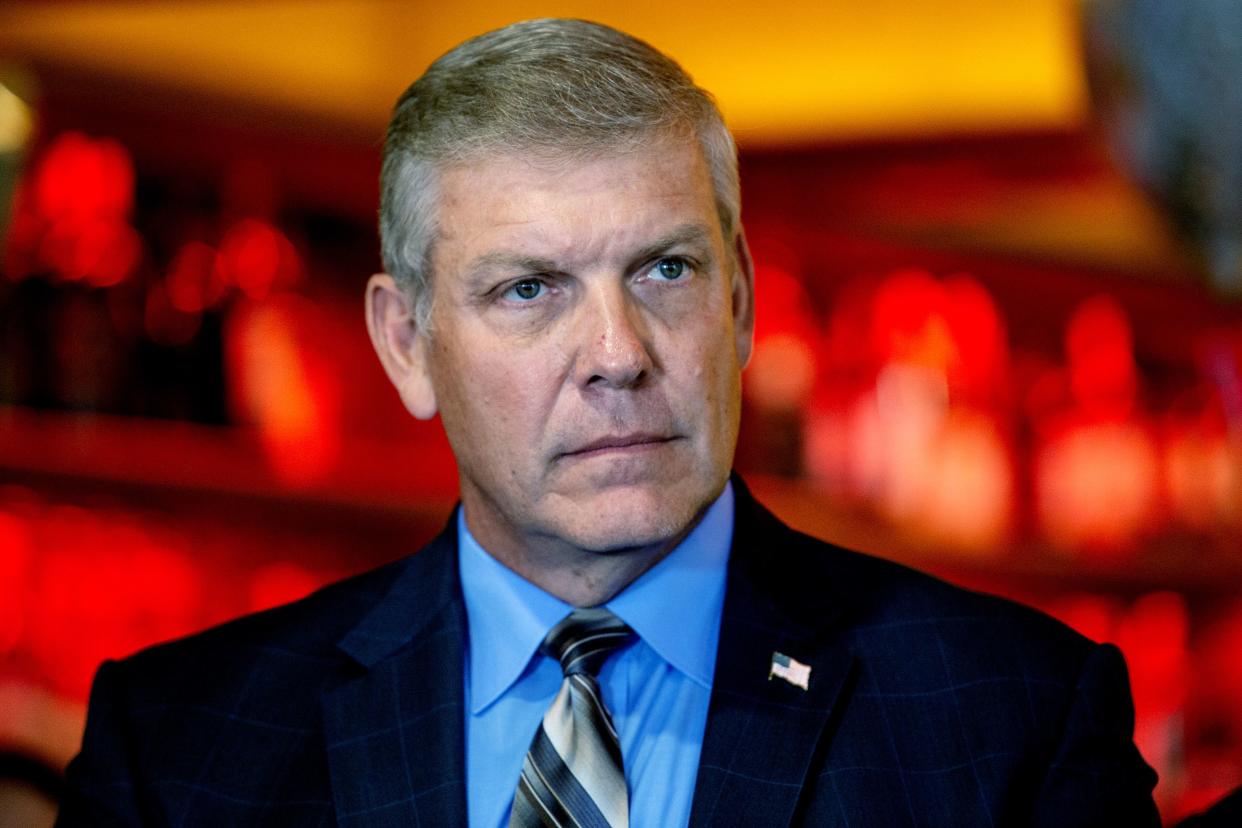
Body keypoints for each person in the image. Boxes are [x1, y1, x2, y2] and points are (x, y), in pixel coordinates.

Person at [57, 18, 1160, 827]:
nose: (621, 354)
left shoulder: (1010, 722)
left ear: (738, 304)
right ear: (406, 344)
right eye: (531, 289)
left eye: (666, 270)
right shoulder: (182, 747)